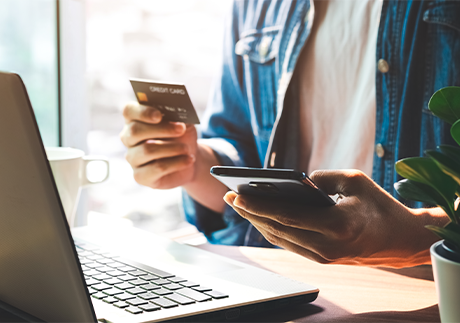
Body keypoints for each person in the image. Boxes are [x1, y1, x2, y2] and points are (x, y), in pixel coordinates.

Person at [120, 0, 460, 268]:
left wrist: (413, 237)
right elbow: (242, 151)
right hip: (288, 284)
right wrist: (190, 166)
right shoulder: (256, 5)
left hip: (430, 293)